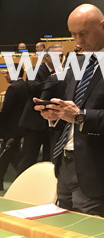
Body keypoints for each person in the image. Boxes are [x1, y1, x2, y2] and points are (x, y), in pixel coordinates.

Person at [34, 4, 104, 215]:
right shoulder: (77, 63)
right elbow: (71, 108)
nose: (78, 41)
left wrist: (81, 117)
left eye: (83, 33)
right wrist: (56, 115)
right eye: (73, 34)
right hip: (64, 162)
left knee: (85, 228)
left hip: (96, 167)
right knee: (60, 227)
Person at [17, 44, 64, 174]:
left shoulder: (64, 73)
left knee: (51, 161)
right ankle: (21, 186)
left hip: (54, 122)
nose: (60, 58)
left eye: (62, 55)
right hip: (34, 122)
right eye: (57, 55)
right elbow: (33, 87)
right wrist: (54, 81)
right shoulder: (35, 70)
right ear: (47, 56)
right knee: (28, 159)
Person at [0, 68, 28, 190]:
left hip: (10, 129)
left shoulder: (13, 88)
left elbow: (6, 111)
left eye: (7, 73)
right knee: (8, 157)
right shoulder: (25, 85)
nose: (5, 75)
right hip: (21, 127)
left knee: (7, 157)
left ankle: (24, 183)